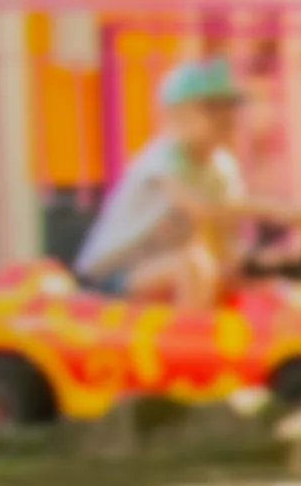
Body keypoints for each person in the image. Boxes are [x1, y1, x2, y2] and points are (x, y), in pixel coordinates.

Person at [72, 53, 259, 305]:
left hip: (164, 270)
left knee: (217, 268)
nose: (225, 117)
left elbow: (224, 234)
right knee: (192, 265)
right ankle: (194, 330)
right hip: (110, 276)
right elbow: (201, 207)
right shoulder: (161, 157)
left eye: (229, 107)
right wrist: (280, 211)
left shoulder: (222, 166)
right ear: (177, 115)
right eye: (212, 108)